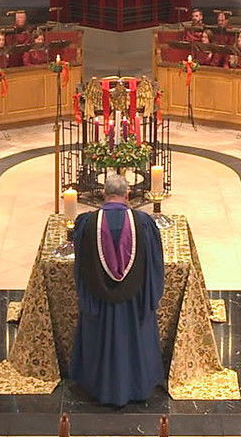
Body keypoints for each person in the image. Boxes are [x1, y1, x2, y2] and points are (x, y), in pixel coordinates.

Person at [70, 173, 165, 407]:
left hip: (99, 301)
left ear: (104, 193)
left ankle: (99, 386)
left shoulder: (87, 223)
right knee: (134, 337)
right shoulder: (144, 223)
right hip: (134, 303)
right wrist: (151, 295)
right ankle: (137, 385)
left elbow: (80, 264)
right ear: (128, 194)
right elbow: (154, 263)